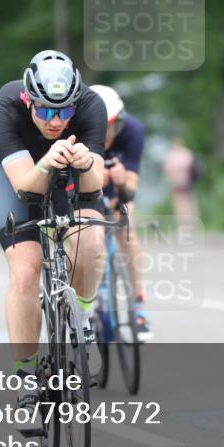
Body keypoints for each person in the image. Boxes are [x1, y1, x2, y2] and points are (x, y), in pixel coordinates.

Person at [0, 50, 107, 430]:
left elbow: (96, 186)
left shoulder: (91, 106)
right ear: (28, 99)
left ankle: (82, 320)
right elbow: (24, 187)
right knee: (25, 270)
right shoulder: (3, 107)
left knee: (90, 241)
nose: (56, 121)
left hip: (69, 171)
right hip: (18, 177)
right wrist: (48, 159)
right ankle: (24, 377)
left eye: (64, 112)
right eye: (46, 112)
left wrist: (86, 163)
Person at [90, 84, 152, 340]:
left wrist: (122, 178)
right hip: (85, 190)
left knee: (126, 231)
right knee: (84, 237)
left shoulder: (134, 131)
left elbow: (131, 188)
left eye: (113, 127)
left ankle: (139, 304)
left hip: (117, 190)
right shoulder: (76, 132)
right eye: (102, 128)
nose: (107, 135)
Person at [163, 138, 200, 220]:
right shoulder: (186, 153)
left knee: (182, 203)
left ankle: (186, 222)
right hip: (185, 182)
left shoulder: (172, 156)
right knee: (187, 202)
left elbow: (167, 170)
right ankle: (190, 222)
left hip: (181, 182)